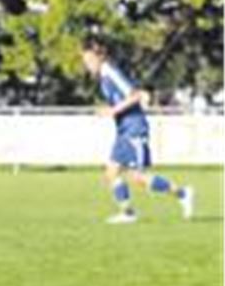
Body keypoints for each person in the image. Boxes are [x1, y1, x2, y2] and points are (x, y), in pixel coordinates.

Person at [80, 38, 194, 224]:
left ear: (100, 56)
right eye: (85, 62)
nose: (88, 65)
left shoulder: (110, 72)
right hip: (123, 130)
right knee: (111, 172)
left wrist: (113, 111)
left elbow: (136, 96)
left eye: (90, 60)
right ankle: (128, 213)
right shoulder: (102, 77)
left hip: (134, 128)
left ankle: (183, 194)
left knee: (138, 177)